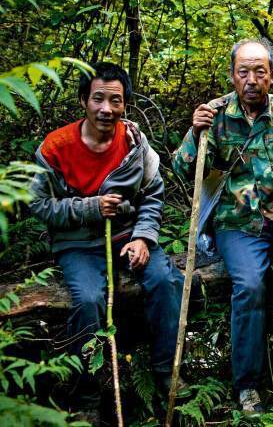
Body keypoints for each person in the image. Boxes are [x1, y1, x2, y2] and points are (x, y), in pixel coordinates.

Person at [172, 38, 273, 415]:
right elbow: (182, 169)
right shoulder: (215, 115)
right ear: (233, 75)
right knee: (250, 285)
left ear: (272, 75)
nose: (252, 79)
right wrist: (195, 133)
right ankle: (248, 386)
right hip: (237, 222)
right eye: (244, 72)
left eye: (260, 71)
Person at [29, 62, 184, 413]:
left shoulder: (133, 142)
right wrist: (90, 208)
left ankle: (166, 375)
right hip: (79, 244)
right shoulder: (56, 147)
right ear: (84, 100)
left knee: (166, 280)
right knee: (87, 300)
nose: (106, 109)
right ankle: (85, 392)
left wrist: (144, 237)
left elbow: (153, 193)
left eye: (115, 101)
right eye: (98, 99)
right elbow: (39, 205)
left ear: (125, 104)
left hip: (127, 236)